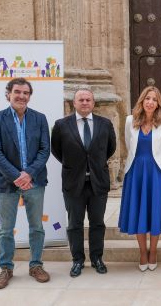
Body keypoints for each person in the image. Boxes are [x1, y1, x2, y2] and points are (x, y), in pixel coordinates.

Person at [0, 78, 51, 289]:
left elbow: (44, 150)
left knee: (37, 228)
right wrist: (17, 176)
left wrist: (29, 174)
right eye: (17, 92)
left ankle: (36, 265)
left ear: (30, 96)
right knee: (6, 229)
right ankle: (6, 268)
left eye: (25, 93)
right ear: (8, 94)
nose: (21, 96)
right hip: (7, 182)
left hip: (34, 182)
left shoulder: (39, 119)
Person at [51, 88, 116, 277]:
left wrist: (94, 163)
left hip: (98, 182)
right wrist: (75, 165)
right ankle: (77, 260)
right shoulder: (62, 125)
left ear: (94, 103)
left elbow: (110, 148)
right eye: (81, 99)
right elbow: (57, 150)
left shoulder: (105, 124)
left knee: (97, 223)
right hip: (73, 182)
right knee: (74, 224)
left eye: (88, 99)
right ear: (74, 103)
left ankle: (97, 258)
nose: (85, 102)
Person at [118, 86, 161, 271]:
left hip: (156, 172)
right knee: (139, 212)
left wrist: (155, 162)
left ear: (158, 103)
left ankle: (153, 251)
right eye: (147, 98)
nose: (150, 102)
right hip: (136, 172)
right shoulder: (130, 121)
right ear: (142, 101)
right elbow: (129, 145)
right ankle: (143, 252)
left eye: (154, 99)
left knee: (154, 212)